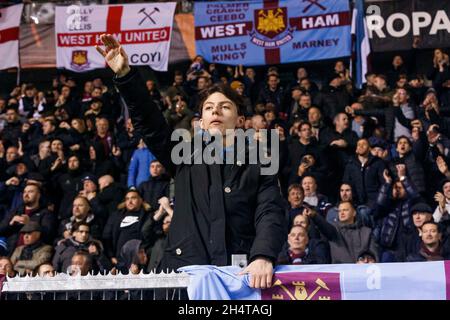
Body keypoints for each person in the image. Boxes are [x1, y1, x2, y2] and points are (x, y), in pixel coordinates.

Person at [96, 34, 286, 289]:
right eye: (209, 108)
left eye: (225, 107)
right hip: (182, 278)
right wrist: (126, 75)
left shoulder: (260, 162)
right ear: (201, 122)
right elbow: (151, 125)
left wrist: (262, 254)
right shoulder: (184, 154)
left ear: (241, 121)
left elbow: (270, 211)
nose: (216, 111)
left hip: (241, 277)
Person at [304, 201, 379, 264]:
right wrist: (314, 216)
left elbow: (374, 254)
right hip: (341, 274)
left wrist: (369, 260)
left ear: (354, 213)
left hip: (362, 273)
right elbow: (324, 226)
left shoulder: (366, 232)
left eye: (345, 210)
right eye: (340, 211)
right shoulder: (334, 230)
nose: (342, 213)